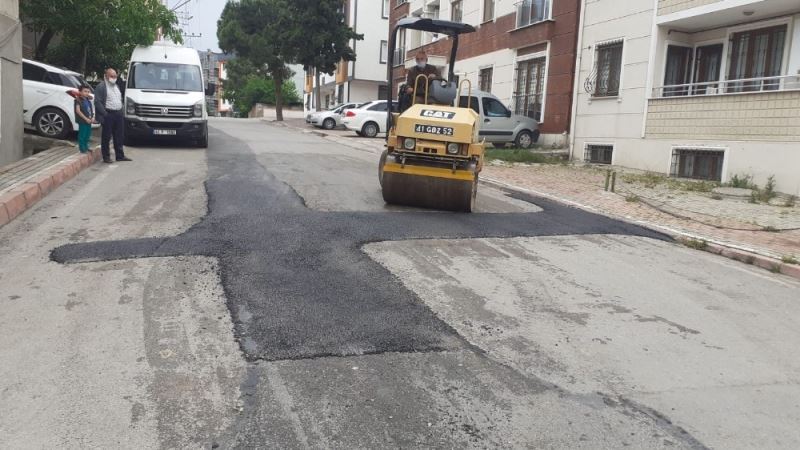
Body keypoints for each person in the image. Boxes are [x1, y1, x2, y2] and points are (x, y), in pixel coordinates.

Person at [94, 68, 132, 163]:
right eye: (111, 76)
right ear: (106, 76)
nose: (114, 78)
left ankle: (120, 155)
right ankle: (106, 157)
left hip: (118, 114)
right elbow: (97, 102)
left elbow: (119, 99)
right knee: (106, 137)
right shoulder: (101, 87)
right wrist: (105, 114)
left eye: (115, 76)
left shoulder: (116, 86)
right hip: (108, 114)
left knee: (119, 136)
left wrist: (121, 110)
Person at [74, 85, 95, 154]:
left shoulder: (88, 100)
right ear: (80, 92)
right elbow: (78, 111)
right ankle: (82, 149)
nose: (87, 93)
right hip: (82, 120)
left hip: (89, 120)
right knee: (82, 135)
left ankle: (86, 146)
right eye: (85, 91)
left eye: (88, 92)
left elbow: (91, 110)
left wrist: (92, 117)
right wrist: (86, 119)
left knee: (87, 134)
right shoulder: (78, 100)